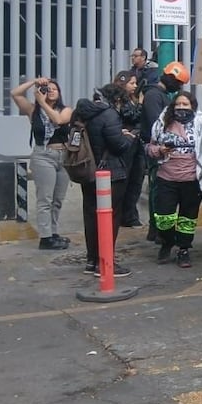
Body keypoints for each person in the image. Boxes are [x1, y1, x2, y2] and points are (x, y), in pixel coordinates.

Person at [146, 92, 202, 269]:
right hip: (166, 178)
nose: (181, 108)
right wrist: (159, 151)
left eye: (185, 105)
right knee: (164, 218)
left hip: (193, 180)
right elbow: (150, 147)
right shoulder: (162, 124)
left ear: (192, 106)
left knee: (188, 218)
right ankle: (167, 243)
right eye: (178, 104)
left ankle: (184, 249)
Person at [73, 84, 135, 277]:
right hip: (111, 173)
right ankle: (106, 263)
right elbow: (117, 145)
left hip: (88, 171)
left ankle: (91, 261)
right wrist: (129, 137)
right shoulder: (109, 115)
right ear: (116, 99)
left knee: (91, 216)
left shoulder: (81, 112)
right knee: (110, 217)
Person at [12, 77, 73, 250]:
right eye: (48, 89)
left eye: (55, 89)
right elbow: (15, 93)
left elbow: (59, 120)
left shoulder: (66, 110)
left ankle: (53, 233)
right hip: (43, 156)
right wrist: (34, 82)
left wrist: (42, 102)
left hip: (64, 155)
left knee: (58, 199)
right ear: (41, 92)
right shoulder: (33, 110)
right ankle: (45, 237)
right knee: (45, 198)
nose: (51, 91)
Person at [140, 61, 190, 243]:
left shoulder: (160, 95)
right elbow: (157, 124)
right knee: (157, 191)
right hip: (158, 150)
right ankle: (157, 230)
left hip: (164, 149)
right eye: (178, 83)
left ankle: (159, 230)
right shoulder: (154, 96)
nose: (178, 88)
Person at [113, 71, 146, 228]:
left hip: (138, 143)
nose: (134, 86)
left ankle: (130, 214)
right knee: (125, 180)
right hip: (127, 143)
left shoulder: (133, 99)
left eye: (135, 83)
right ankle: (123, 215)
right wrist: (140, 104)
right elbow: (130, 116)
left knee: (136, 180)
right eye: (131, 83)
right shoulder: (120, 100)